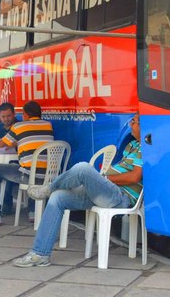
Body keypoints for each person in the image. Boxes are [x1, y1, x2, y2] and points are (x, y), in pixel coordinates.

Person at [13, 114, 142, 267]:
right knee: (58, 197)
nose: (130, 125)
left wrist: (105, 179)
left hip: (121, 197)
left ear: (144, 126)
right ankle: (40, 254)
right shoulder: (132, 145)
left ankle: (49, 187)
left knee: (82, 168)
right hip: (107, 192)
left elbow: (134, 177)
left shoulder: (146, 148)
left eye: (134, 122)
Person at [0, 100, 54, 226]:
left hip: (27, 176)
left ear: (26, 115)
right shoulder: (48, 126)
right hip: (49, 176)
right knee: (34, 170)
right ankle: (33, 211)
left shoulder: (19, 127)